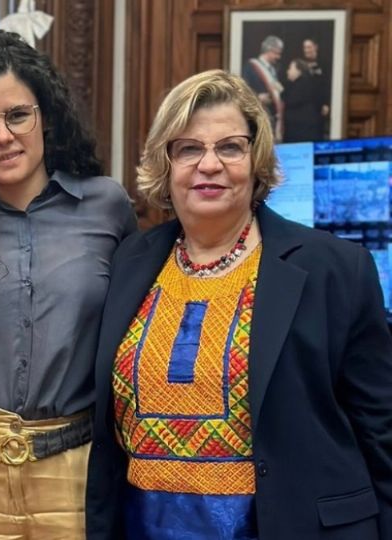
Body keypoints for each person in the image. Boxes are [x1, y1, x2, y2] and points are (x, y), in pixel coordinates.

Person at [87, 69, 392, 539]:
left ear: (257, 159)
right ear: (166, 166)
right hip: (143, 524)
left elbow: (381, 429)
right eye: (189, 148)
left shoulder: (336, 269)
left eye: (230, 146)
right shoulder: (131, 261)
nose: (209, 164)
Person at [0, 31, 137, 539]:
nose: (3, 136)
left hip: (74, 472)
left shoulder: (107, 207)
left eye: (17, 115)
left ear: (46, 115)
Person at [282, 38, 330, 142]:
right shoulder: (297, 82)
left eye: (309, 47)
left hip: (302, 133)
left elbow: (291, 100)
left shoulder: (304, 83)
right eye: (304, 47)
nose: (306, 50)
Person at [242, 35, 284, 142]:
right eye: (277, 53)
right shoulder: (250, 66)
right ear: (269, 50)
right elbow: (243, 89)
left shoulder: (274, 69)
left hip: (272, 116)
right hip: (258, 116)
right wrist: (258, 97)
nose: (278, 57)